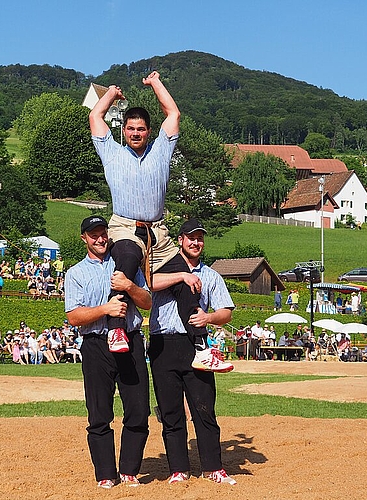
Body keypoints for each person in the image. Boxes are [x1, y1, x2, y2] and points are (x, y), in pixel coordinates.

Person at [89, 72, 212, 369]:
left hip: (158, 232)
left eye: (141, 129)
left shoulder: (161, 151)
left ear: (148, 131)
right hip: (124, 227)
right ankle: (116, 327)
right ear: (124, 130)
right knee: (127, 258)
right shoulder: (112, 152)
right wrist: (111, 94)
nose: (135, 133)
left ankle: (200, 345)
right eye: (130, 128)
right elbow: (95, 115)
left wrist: (154, 82)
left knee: (188, 280)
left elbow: (173, 113)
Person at [64, 215, 152, 489]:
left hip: (132, 341)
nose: (100, 239)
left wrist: (130, 287)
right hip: (95, 346)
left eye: (103, 233)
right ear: (84, 239)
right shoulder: (76, 273)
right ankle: (105, 474)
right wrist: (106, 310)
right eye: (94, 235)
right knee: (99, 414)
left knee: (138, 410)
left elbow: (147, 301)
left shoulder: (125, 263)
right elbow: (74, 317)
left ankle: (128, 470)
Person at [148, 218, 237, 485]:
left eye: (200, 238)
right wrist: (182, 276)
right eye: (191, 237)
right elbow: (148, 283)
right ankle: (179, 469)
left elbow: (227, 312)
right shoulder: (162, 270)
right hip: (162, 344)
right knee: (171, 411)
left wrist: (209, 318)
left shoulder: (211, 276)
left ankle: (213, 467)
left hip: (196, 348)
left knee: (204, 409)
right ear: (180, 240)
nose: (196, 242)